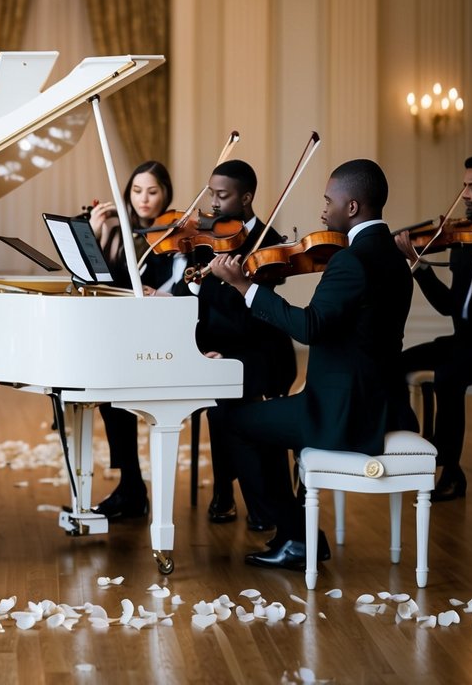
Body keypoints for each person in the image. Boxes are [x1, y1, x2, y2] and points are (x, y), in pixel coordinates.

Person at [205, 158, 415, 572]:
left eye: (328, 201)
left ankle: (296, 536)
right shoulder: (393, 256)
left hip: (343, 410)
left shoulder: (352, 260)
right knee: (260, 420)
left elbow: (310, 327)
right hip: (383, 401)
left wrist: (245, 287)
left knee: (237, 421)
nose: (323, 211)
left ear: (351, 207)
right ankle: (295, 533)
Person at [186, 160, 296, 530]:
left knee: (225, 403)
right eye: (211, 193)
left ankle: (251, 498)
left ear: (246, 198)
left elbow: (253, 315)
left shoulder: (270, 242)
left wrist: (227, 284)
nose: (213, 203)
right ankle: (224, 490)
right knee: (218, 395)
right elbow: (200, 307)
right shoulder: (206, 237)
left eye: (222, 195)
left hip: (260, 350)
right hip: (216, 345)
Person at [87, 160, 178, 518]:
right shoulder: (118, 231)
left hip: (163, 337)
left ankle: (132, 487)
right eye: (137, 191)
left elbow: (178, 290)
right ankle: (131, 483)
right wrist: (96, 232)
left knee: (115, 392)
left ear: (166, 194)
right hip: (128, 336)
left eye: (153, 191)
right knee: (110, 396)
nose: (144, 199)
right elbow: (100, 284)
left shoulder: (173, 234)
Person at [396, 154, 472, 501]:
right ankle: (409, 441)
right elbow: (449, 306)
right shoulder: (465, 241)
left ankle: (450, 471)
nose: (465, 194)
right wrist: (419, 266)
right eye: (464, 186)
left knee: (448, 375)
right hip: (465, 341)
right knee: (399, 361)